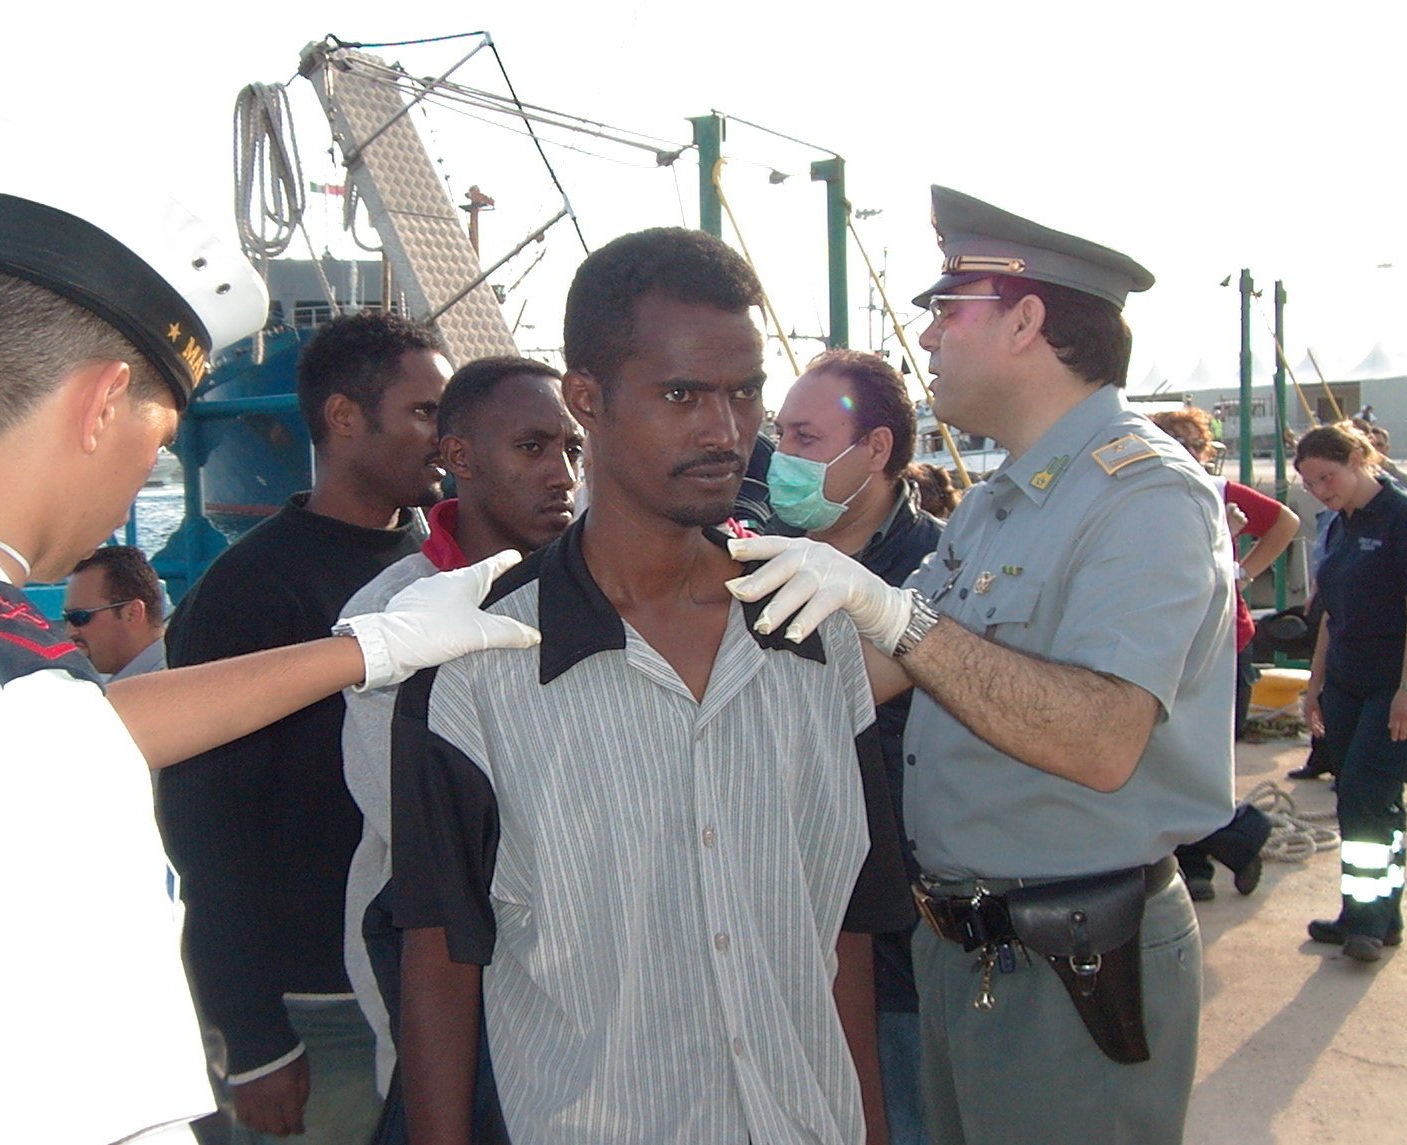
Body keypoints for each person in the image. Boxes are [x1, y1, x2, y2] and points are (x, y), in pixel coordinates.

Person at [0, 116, 537, 1145]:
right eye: (160, 436)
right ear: (102, 404)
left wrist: (371, 647)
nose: (148, 472)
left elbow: (70, 726)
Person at [730, 186, 1234, 1145]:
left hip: (1075, 961)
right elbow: (871, 675)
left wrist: (896, 614)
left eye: (947, 311)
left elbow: (1102, 739)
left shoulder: (1144, 497)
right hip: (966, 948)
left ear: (1026, 322)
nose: (926, 338)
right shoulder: (1002, 502)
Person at [392, 227, 910, 1145]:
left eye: (744, 391)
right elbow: (440, 955)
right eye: (682, 394)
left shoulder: (814, 633)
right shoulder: (476, 662)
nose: (726, 431)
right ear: (587, 399)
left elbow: (845, 928)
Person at [159, 309, 452, 1144]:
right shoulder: (247, 591)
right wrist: (255, 1040)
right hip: (321, 1012)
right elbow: (204, 828)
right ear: (344, 417)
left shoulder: (446, 565)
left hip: (435, 986)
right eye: (424, 411)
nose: (445, 436)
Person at [339, 356, 580, 1099]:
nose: (564, 474)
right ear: (460, 458)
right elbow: (420, 824)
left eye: (573, 448)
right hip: (453, 973)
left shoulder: (612, 589)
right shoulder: (386, 617)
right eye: (533, 447)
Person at [771, 348, 941, 1145]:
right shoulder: (757, 558)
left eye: (805, 438)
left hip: (907, 937)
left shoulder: (942, 572)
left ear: (875, 449)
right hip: (790, 933)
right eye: (779, 434)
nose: (782, 457)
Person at [1296, 423, 1407, 961]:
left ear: (1357, 460)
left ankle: (1368, 920)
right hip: (1348, 682)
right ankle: (1373, 913)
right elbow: (1331, 615)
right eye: (1310, 484)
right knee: (1364, 800)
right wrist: (1315, 685)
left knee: (1367, 793)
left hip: (1399, 683)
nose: (1320, 491)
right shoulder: (1341, 526)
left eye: (1327, 477)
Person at [1152, 408, 1298, 899]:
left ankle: (1234, 838)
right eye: (1170, 440)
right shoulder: (1141, 495)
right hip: (1167, 640)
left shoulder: (1220, 493)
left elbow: (1284, 523)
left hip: (1221, 641)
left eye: (1191, 443)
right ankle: (1204, 858)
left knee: (1204, 760)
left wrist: (1243, 572)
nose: (1182, 451)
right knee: (1167, 759)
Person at [64, 544, 168, 679]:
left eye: (79, 617)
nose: (70, 632)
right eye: (66, 618)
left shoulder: (169, 683)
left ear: (132, 614)